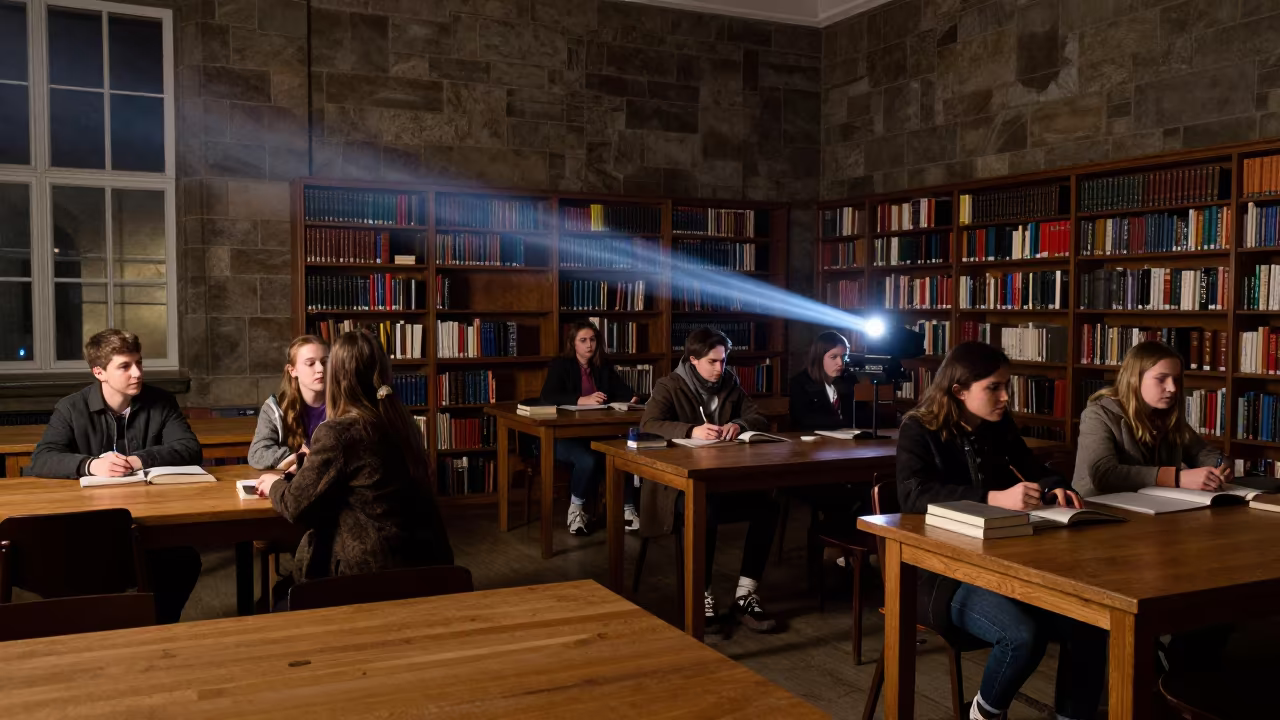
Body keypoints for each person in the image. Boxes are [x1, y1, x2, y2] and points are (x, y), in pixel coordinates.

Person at [896, 341, 1105, 720]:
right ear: (959, 391)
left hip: (1005, 562)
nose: (1006, 397)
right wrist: (995, 497)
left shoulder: (996, 425)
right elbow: (914, 496)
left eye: (1006, 385)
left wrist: (1056, 485)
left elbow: (1034, 466)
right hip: (943, 574)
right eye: (994, 387)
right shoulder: (919, 428)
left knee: (1090, 625)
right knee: (1021, 636)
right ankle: (985, 714)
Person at [1073, 339, 1232, 672]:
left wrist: (1218, 464)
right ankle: (1155, 668)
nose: (1172, 388)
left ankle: (1182, 670)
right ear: (1135, 378)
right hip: (1102, 530)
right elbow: (1103, 474)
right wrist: (1177, 477)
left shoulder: (1167, 417)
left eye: (1176, 379)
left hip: (1158, 528)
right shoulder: (1099, 414)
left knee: (1215, 589)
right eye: (1162, 379)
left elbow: (1204, 452)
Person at [28, 328, 202, 624]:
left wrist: (137, 459)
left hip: (149, 520)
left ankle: (157, 628)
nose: (137, 373)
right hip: (88, 526)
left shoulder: (162, 401)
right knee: (63, 567)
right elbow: (41, 460)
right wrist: (91, 465)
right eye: (125, 366)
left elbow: (189, 449)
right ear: (99, 372)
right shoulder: (71, 408)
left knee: (183, 560)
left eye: (139, 363)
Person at [254, 330, 453, 587]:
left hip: (369, 574)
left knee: (282, 597)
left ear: (337, 378)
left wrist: (274, 485)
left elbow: (294, 505)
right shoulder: (402, 423)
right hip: (427, 562)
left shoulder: (339, 432)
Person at [640, 326, 779, 634]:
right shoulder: (669, 385)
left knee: (767, 507)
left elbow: (759, 417)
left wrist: (738, 424)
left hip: (721, 479)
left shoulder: (730, 382)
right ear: (693, 360)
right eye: (713, 362)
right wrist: (690, 430)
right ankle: (701, 593)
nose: (721, 368)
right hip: (675, 487)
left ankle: (745, 593)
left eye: (723, 361)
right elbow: (649, 423)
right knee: (706, 510)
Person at [538, 320, 640, 536]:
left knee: (625, 455)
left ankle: (628, 511)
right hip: (562, 437)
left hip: (595, 432)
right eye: (583, 340)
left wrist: (630, 397)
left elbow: (621, 390)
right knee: (587, 459)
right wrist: (580, 399)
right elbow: (548, 396)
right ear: (573, 343)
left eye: (592, 340)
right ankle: (575, 511)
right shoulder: (560, 365)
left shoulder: (602, 365)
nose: (589, 345)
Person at [249, 335, 328, 471]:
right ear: (293, 371)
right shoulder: (274, 408)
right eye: (310, 363)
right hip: (290, 483)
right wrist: (296, 457)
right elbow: (257, 453)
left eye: (325, 362)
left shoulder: (344, 404)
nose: (320, 369)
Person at [788, 330, 856, 431]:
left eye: (844, 356)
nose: (841, 363)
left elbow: (863, 414)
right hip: (811, 443)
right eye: (833, 357)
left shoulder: (850, 380)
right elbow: (803, 419)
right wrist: (842, 422)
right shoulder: (800, 383)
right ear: (819, 358)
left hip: (848, 442)